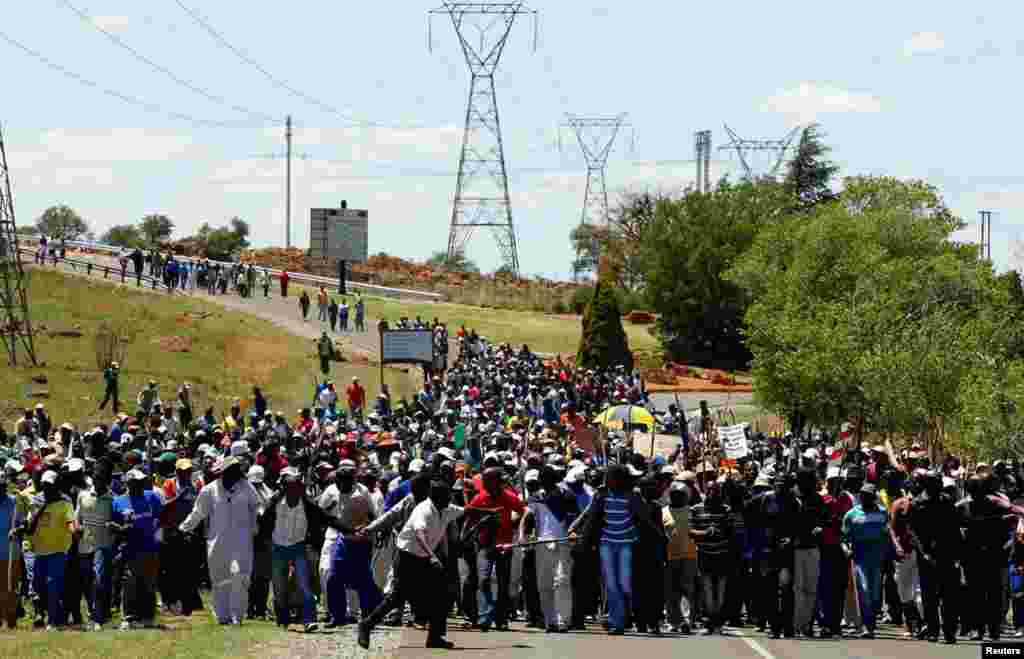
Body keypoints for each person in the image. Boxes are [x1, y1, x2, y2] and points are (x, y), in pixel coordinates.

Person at [359, 479, 463, 650]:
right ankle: (367, 624)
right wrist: (370, 529)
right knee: (398, 597)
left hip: (425, 556)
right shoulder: (419, 508)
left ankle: (434, 637)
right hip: (408, 556)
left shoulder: (443, 508)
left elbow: (464, 511)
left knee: (441, 593)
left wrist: (488, 511)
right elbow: (393, 518)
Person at [180, 456, 260, 625]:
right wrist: (184, 528)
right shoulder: (210, 490)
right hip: (217, 541)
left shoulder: (246, 488)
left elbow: (256, 507)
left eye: (237, 470)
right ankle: (222, 616)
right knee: (220, 579)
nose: (236, 474)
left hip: (242, 540)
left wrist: (255, 527)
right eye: (232, 470)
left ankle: (237, 616)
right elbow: (198, 513)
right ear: (223, 472)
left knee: (240, 576)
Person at [258, 467, 322, 633]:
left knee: (304, 585)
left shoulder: (307, 503)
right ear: (283, 486)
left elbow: (320, 520)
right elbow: (264, 524)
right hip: (278, 548)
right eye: (289, 486)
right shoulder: (274, 503)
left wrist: (313, 543)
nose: (293, 489)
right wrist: (266, 543)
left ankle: (309, 619)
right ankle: (283, 618)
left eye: (296, 486)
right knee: (279, 587)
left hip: (299, 548)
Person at [318, 460, 380, 628]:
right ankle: (337, 616)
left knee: (363, 581)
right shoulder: (333, 491)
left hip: (361, 542)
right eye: (337, 483)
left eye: (343, 483)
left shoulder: (361, 494)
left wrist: (372, 532)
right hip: (343, 539)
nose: (339, 486)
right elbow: (322, 513)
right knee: (333, 577)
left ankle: (369, 616)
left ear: (351, 482)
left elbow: (373, 515)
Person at [18, 470, 75, 630]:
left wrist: (75, 530)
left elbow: (70, 521)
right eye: (45, 485)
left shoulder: (65, 501)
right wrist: (43, 506)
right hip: (39, 550)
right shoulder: (37, 500)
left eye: (50, 485)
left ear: (56, 485)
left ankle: (52, 621)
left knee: (53, 584)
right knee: (37, 586)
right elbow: (29, 528)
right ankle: (44, 615)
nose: (48, 489)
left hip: (58, 549)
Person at [111, 469, 164, 629]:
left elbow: (161, 515)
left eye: (142, 481)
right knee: (130, 583)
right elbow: (114, 525)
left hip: (150, 547)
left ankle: (148, 617)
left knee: (149, 583)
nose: (141, 484)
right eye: (137, 482)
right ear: (129, 483)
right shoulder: (118, 501)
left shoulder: (152, 497)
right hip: (130, 549)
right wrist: (121, 529)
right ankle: (129, 617)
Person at [841, 483, 890, 639]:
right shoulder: (851, 514)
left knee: (875, 593)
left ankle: (871, 622)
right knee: (864, 590)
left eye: (869, 495)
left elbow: (887, 534)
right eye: (863, 495)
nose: (866, 498)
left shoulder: (883, 513)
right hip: (859, 558)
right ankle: (866, 625)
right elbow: (843, 538)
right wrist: (846, 549)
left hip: (877, 558)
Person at [74, 461, 115, 631]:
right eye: (96, 478)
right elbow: (77, 517)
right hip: (84, 545)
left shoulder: (112, 498)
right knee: (87, 581)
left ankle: (97, 617)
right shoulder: (83, 495)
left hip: (103, 546)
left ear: (107, 481)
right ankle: (94, 613)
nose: (98, 482)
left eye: (102, 479)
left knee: (98, 580)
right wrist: (77, 528)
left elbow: (115, 521)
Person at [689, 478, 734, 635]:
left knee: (721, 593)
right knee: (707, 591)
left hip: (722, 556)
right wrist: (705, 532)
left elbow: (731, 531)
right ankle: (710, 622)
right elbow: (691, 531)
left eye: (715, 490)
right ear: (705, 491)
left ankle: (718, 622)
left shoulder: (725, 509)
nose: (712, 493)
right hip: (704, 555)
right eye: (709, 490)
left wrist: (720, 531)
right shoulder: (696, 509)